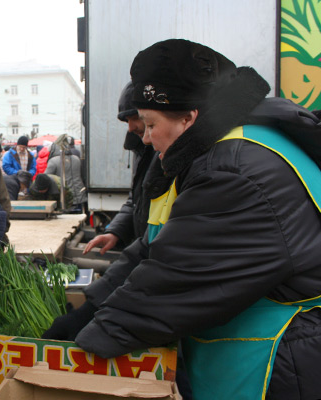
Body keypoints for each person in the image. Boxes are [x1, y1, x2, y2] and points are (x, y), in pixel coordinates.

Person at [43, 39, 321, 399]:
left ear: (189, 117)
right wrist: (90, 308)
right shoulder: (222, 150)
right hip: (242, 342)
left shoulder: (237, 168)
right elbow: (154, 248)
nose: (145, 138)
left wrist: (85, 343)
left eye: (149, 124)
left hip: (277, 361)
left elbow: (176, 278)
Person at [83, 82, 158, 254]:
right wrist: (115, 232)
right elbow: (137, 201)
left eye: (135, 118)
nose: (131, 128)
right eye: (127, 121)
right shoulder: (141, 148)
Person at [45, 139, 87, 211]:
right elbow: (83, 176)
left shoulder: (53, 161)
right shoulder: (76, 159)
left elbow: (46, 179)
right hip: (79, 196)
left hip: (64, 198)